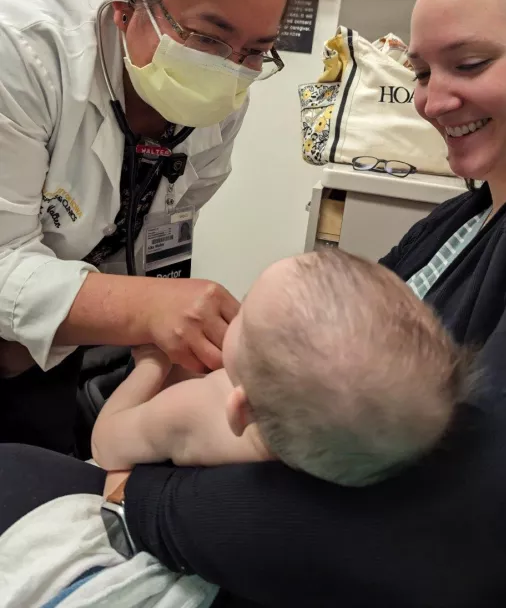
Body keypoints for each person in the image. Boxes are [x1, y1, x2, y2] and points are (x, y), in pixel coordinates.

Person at [3, 0, 506, 607]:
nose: (432, 101)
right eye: (423, 72)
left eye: (469, 64)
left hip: (259, 539)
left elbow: (469, 531)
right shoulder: (462, 219)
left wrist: (149, 500)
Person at [0, 0, 298, 453]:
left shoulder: (222, 91)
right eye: (210, 37)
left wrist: (156, 345)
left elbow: (153, 237)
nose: (232, 69)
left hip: (40, 360)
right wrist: (147, 308)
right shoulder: (21, 44)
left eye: (256, 50)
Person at [0, 249, 468, 606]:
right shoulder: (366, 440)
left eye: (244, 321)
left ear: (240, 407)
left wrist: (150, 361)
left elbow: (109, 443)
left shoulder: (205, 412)